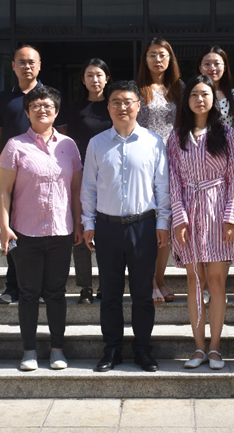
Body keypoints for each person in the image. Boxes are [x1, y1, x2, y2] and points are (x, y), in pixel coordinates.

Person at [81, 81, 170, 373]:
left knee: (143, 294)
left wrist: (163, 222)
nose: (122, 107)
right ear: (108, 107)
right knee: (110, 294)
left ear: (138, 106)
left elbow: (162, 186)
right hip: (107, 227)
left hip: (142, 227)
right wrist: (88, 222)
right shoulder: (97, 143)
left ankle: (143, 349)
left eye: (128, 102)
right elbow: (89, 187)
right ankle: (112, 349)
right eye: (116, 102)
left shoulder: (153, 142)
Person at [0, 86, 83, 371]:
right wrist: (4, 226)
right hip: (25, 231)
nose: (42, 110)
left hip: (61, 230)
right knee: (28, 292)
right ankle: (29, 350)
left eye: (48, 106)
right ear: (27, 112)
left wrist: (79, 222)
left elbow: (76, 190)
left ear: (56, 112)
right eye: (35, 106)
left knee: (56, 292)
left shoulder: (69, 146)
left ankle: (57, 349)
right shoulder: (15, 146)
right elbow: (3, 190)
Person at [168, 75, 234, 371]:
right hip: (188, 211)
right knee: (194, 281)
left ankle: (215, 348)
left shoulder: (226, 134)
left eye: (205, 94)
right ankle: (198, 347)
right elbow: (173, 180)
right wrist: (179, 218)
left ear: (214, 99)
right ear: (186, 100)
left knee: (216, 281)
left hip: (218, 210)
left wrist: (231, 217)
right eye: (194, 94)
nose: (200, 99)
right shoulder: (176, 137)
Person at [0, 44, 45, 305]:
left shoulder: (49, 96)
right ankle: (12, 285)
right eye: (21, 62)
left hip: (42, 174)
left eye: (31, 62)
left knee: (42, 231)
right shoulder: (3, 98)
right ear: (13, 66)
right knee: (13, 229)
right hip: (13, 173)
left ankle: (41, 286)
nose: (27, 66)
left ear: (39, 66)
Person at [56, 58, 113, 305]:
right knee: (80, 231)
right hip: (81, 174)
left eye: (99, 75)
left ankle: (106, 283)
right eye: (90, 75)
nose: (94, 80)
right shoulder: (73, 109)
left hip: (110, 175)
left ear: (107, 78)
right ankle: (85, 287)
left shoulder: (114, 106)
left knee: (108, 233)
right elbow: (65, 143)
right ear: (83, 80)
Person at [136, 38, 183, 305]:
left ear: (170, 59)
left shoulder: (180, 89)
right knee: (149, 221)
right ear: (145, 59)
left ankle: (160, 278)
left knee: (168, 221)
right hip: (145, 160)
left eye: (163, 55)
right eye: (152, 55)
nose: (158, 60)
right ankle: (149, 281)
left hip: (174, 160)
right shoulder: (137, 89)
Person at [199, 46, 234, 239]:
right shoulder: (193, 94)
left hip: (227, 164)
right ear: (200, 67)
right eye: (207, 64)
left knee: (229, 217)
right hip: (197, 164)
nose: (212, 68)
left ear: (225, 67)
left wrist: (230, 160)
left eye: (217, 63)